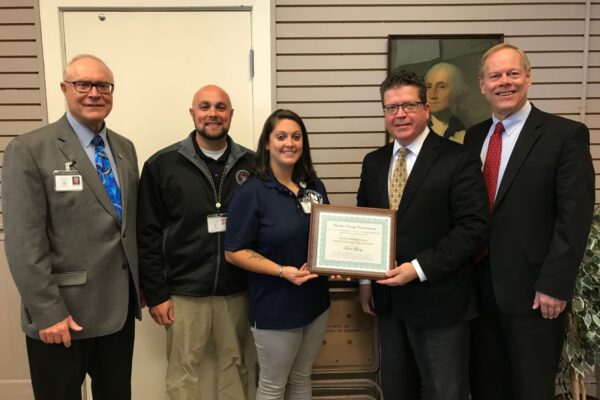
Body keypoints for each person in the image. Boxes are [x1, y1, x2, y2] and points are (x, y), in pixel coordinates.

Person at [2, 54, 141, 400]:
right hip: (63, 314)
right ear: (65, 89)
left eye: (103, 85)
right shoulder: (29, 149)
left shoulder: (124, 148)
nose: (94, 93)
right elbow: (23, 242)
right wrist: (48, 312)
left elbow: (124, 228)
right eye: (84, 84)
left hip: (117, 312)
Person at [465, 43, 595, 400]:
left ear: (528, 78)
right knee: (487, 387)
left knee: (531, 389)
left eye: (512, 73)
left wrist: (555, 283)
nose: (504, 82)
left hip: (535, 293)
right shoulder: (474, 137)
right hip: (478, 289)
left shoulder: (564, 135)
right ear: (482, 85)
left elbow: (575, 215)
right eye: (495, 76)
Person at [357, 70, 488, 400]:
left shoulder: (458, 159)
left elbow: (473, 228)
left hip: (441, 302)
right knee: (397, 389)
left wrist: (416, 268)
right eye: (390, 108)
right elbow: (365, 222)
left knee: (445, 391)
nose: (399, 114)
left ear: (426, 108)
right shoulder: (374, 162)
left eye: (408, 105)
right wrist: (363, 281)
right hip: (389, 303)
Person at [137, 84, 254, 400]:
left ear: (231, 114)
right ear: (193, 114)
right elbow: (146, 233)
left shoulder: (253, 165)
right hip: (182, 292)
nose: (213, 114)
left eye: (220, 107)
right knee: (182, 373)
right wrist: (156, 292)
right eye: (205, 107)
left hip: (237, 290)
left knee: (237, 367)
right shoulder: (161, 165)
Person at [224, 109, 330, 400]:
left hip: (316, 302)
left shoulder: (314, 186)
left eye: (296, 137)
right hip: (276, 306)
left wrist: (337, 262)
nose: (290, 143)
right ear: (267, 143)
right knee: (273, 385)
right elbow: (234, 252)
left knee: (301, 378)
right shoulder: (251, 193)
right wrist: (282, 270)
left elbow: (328, 236)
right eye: (281, 136)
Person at [425, 62, 467, 143]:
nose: (433, 95)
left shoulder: (464, 131)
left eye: (441, 87)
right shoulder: (416, 128)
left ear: (457, 91)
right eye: (429, 87)